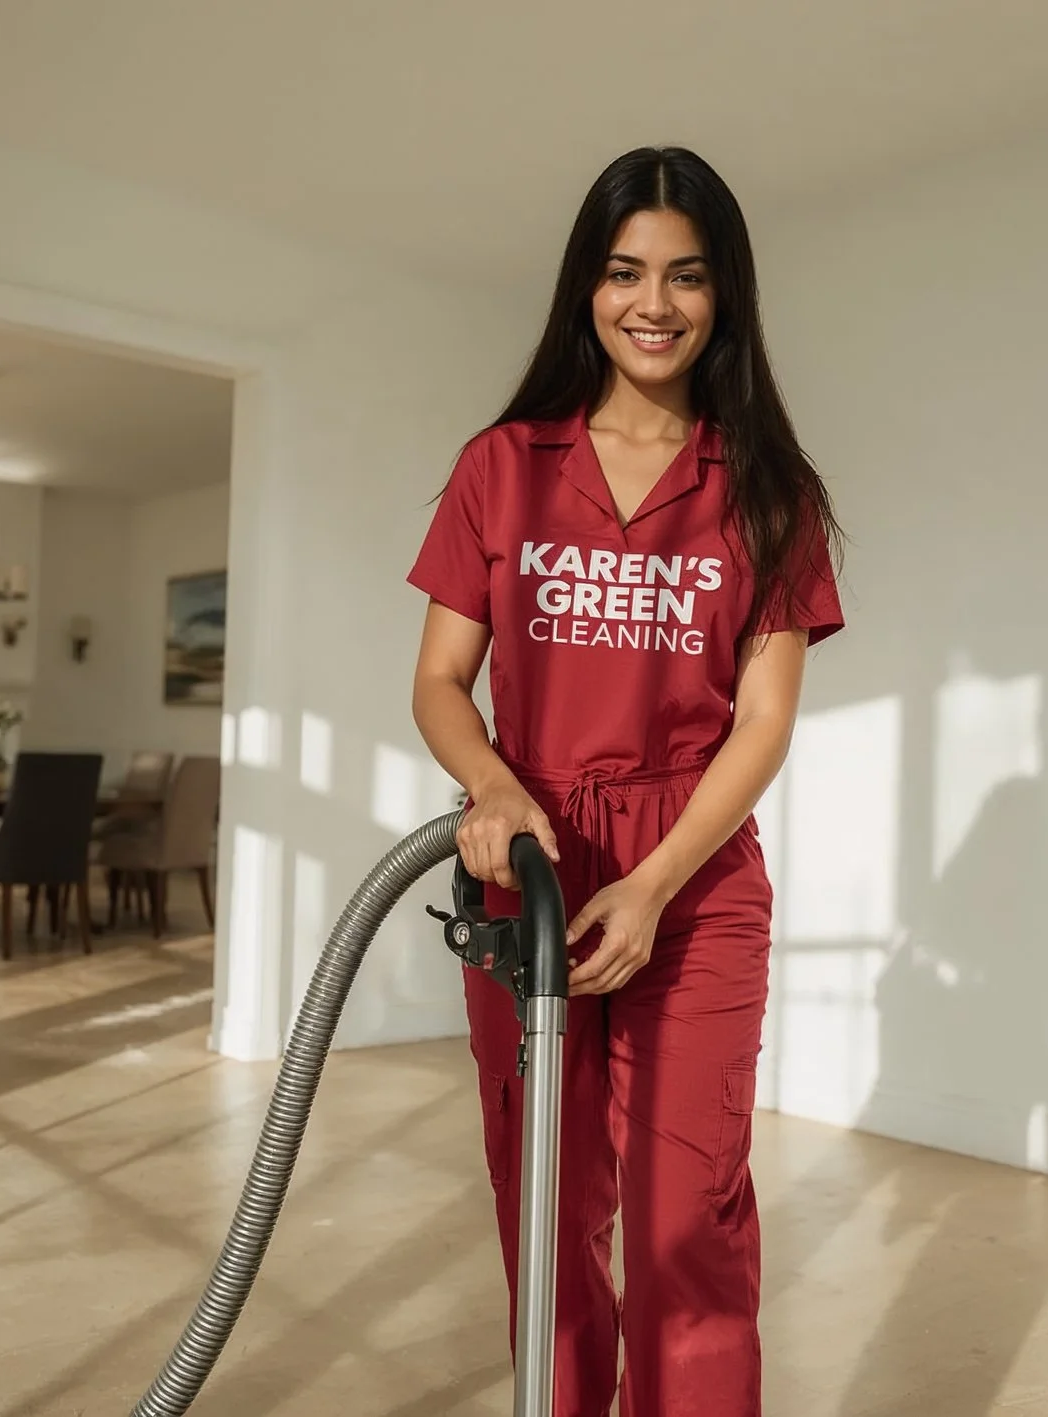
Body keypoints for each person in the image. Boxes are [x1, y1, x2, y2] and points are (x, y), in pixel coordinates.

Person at [406, 145, 846, 1416]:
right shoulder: (507, 466)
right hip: (528, 860)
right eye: (623, 271)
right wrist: (493, 789)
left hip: (692, 876)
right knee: (544, 1207)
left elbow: (762, 720)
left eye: (686, 276)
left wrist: (654, 884)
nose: (652, 303)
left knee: (680, 1216)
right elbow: (440, 681)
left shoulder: (764, 489)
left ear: (725, 297)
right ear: (585, 289)